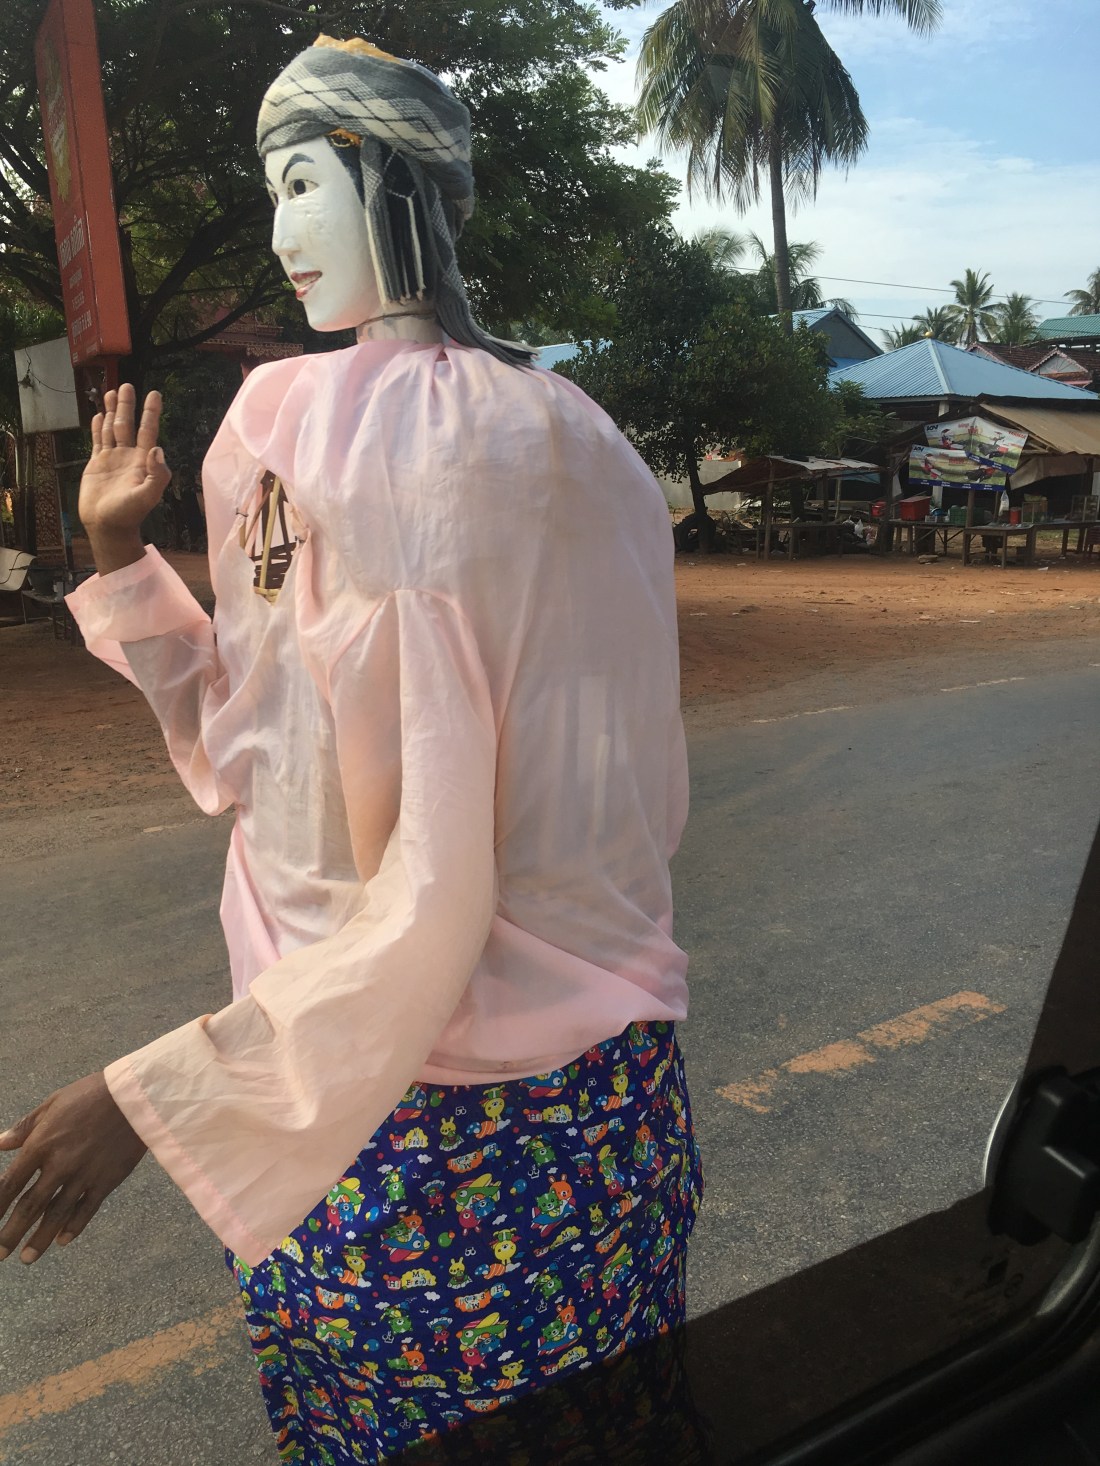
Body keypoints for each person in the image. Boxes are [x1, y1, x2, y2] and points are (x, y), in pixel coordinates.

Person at [0, 35, 703, 1463]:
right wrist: (123, 557)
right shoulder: (550, 431)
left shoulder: (417, 445)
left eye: (305, 183)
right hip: (570, 1110)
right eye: (272, 190)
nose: (280, 233)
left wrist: (150, 1094)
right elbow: (260, 747)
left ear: (396, 183)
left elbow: (429, 895)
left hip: (431, 1136)